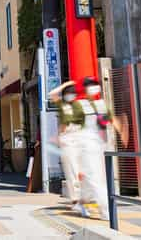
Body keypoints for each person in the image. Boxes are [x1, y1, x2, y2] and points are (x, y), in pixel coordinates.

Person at [76, 76, 127, 222]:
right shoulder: (79, 105)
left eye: (95, 84)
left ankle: (81, 202)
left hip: (100, 146)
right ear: (85, 89)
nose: (93, 87)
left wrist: (121, 132)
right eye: (90, 85)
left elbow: (112, 120)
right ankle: (106, 212)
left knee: (91, 178)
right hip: (85, 146)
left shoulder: (101, 104)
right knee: (96, 179)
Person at [50, 80, 87, 218]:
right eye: (68, 94)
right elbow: (52, 94)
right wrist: (65, 85)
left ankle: (82, 199)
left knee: (82, 170)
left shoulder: (78, 105)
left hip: (79, 139)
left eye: (73, 93)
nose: (71, 96)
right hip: (67, 140)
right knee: (72, 171)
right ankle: (76, 200)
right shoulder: (62, 105)